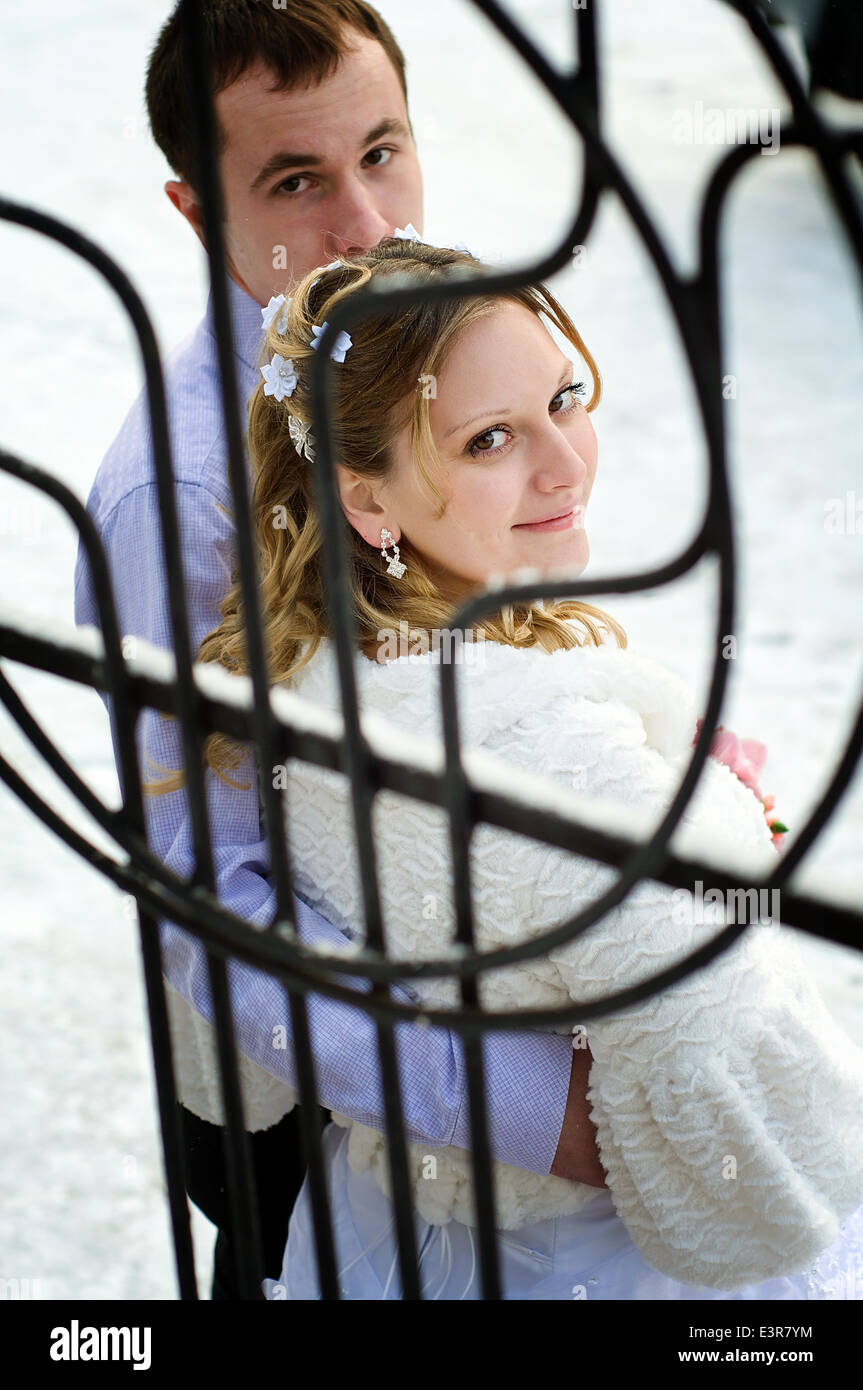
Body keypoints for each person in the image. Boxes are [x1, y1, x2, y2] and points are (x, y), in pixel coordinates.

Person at [150, 235, 863, 1300]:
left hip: (381, 1232)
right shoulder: (556, 768)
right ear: (367, 501)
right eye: (489, 439)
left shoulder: (292, 680)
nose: (565, 461)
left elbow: (229, 1024)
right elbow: (764, 1154)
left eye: (564, 398)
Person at [73, 0, 605, 1301]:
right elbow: (212, 897)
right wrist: (537, 1107)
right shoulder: (184, 500)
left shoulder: (427, 348)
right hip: (306, 1108)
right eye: (295, 181)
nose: (364, 223)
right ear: (198, 213)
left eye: (381, 152)